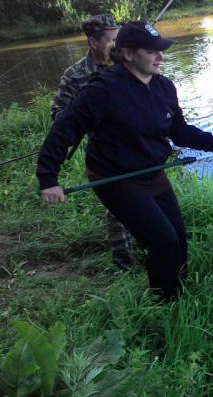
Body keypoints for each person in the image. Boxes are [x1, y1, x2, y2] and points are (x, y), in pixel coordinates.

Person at [37, 21, 213, 301]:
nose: (160, 56)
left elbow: (177, 129)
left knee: (178, 238)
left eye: (162, 50)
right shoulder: (103, 90)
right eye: (152, 51)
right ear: (128, 54)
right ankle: (164, 304)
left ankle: (180, 295)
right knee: (162, 241)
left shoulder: (165, 87)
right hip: (116, 179)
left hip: (153, 173)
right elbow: (63, 131)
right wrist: (48, 179)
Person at [51, 14, 137, 272]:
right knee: (120, 205)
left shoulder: (127, 64)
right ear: (93, 42)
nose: (117, 45)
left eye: (119, 39)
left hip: (137, 145)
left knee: (146, 196)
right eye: (112, 40)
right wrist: (88, 121)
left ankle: (150, 244)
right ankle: (125, 265)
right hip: (105, 151)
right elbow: (59, 115)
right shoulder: (75, 75)